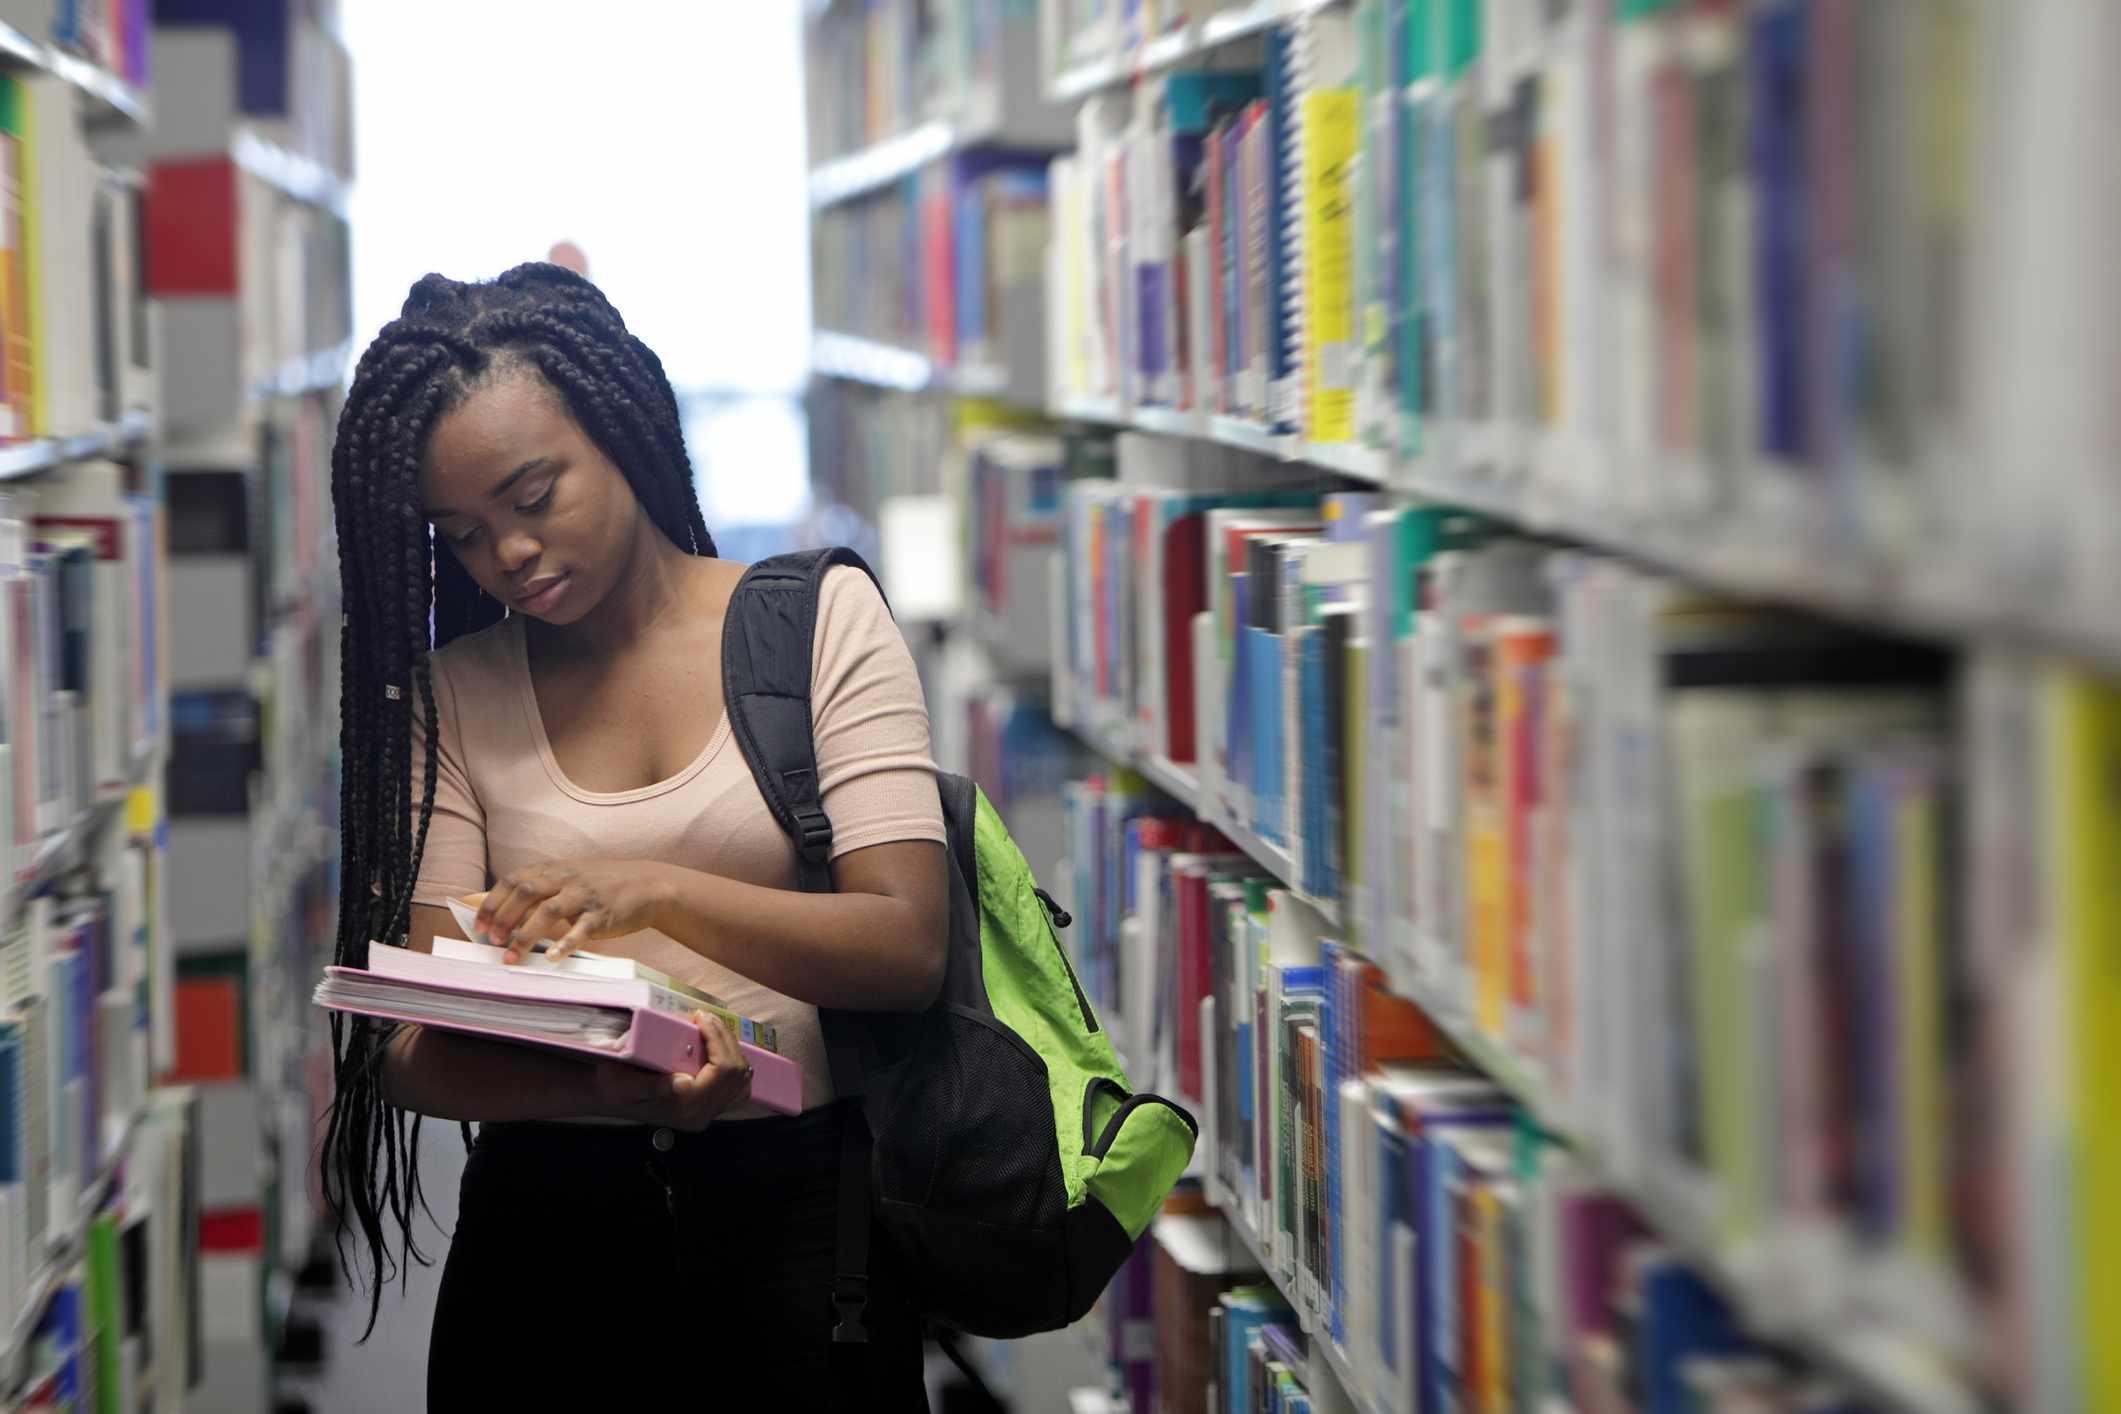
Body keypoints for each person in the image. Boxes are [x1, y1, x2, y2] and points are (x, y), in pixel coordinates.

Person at [320, 263, 946, 1409]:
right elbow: (410, 1048)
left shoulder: (817, 623)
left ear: (619, 428)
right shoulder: (453, 696)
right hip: (547, 1246)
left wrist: (654, 891)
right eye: (462, 533)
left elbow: (907, 944)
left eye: (533, 494)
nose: (507, 553)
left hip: (808, 1233)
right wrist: (635, 1094)